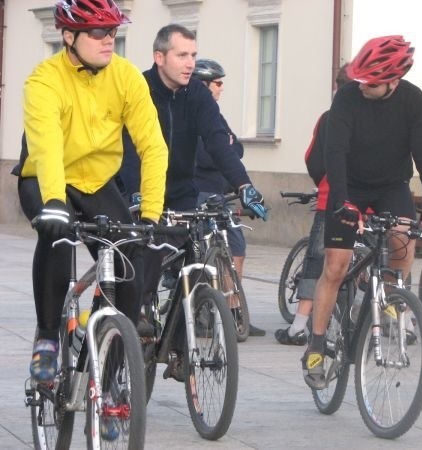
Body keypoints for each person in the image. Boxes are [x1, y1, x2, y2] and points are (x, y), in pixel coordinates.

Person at [13, 0, 168, 385]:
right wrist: (53, 203)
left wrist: (150, 214)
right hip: (46, 178)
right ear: (69, 36)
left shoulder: (127, 77)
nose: (108, 41)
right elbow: (47, 147)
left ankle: (111, 375)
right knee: (58, 237)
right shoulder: (44, 81)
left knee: (131, 258)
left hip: (98, 182)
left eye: (113, 32)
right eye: (98, 32)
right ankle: (48, 338)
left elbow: (153, 146)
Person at [118, 24, 267, 379]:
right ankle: (139, 313)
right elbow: (126, 146)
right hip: (140, 187)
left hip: (182, 189)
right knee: (149, 255)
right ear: (160, 57)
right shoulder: (138, 88)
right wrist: (136, 192)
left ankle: (181, 345)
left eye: (193, 55)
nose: (190, 63)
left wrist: (244, 185)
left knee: (197, 259)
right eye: (182, 55)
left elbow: (218, 141)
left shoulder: (197, 96)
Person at [301, 36, 422, 389]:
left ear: (393, 81)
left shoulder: (413, 100)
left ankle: (391, 299)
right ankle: (317, 345)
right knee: (335, 267)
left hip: (390, 186)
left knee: (402, 242)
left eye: (372, 82)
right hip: (348, 183)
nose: (363, 86)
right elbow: (334, 154)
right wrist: (343, 201)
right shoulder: (348, 98)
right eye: (360, 79)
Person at [275, 64, 350, 346]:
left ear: (337, 88)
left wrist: (323, 183)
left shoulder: (329, 119)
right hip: (372, 201)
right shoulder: (378, 119)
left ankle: (298, 327)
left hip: (332, 200)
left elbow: (313, 159)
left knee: (318, 261)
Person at [191, 58, 265, 337]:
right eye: (218, 82)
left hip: (221, 195)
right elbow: (206, 156)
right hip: (200, 193)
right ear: (204, 85)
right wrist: (227, 148)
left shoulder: (215, 115)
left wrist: (228, 147)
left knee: (236, 251)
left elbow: (238, 148)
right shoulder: (191, 113)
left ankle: (233, 313)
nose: (222, 88)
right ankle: (201, 312)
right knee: (200, 254)